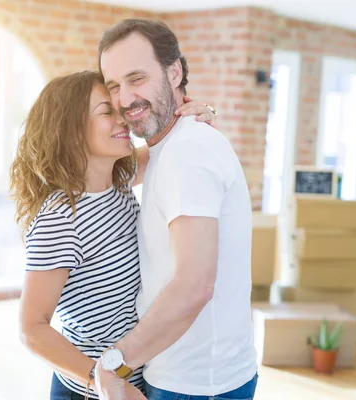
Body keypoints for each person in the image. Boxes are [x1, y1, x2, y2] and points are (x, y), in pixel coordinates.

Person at [9, 70, 218, 400]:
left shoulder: (118, 181)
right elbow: (31, 329)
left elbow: (172, 150)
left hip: (136, 376)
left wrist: (201, 116)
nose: (123, 120)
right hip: (91, 390)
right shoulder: (59, 219)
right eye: (107, 111)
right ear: (71, 130)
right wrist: (100, 379)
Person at [94, 19, 258, 400]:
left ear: (174, 71)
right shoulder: (168, 147)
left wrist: (115, 364)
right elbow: (107, 172)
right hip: (188, 373)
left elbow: (194, 286)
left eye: (137, 79)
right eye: (114, 86)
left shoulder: (187, 151)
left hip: (196, 386)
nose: (124, 99)